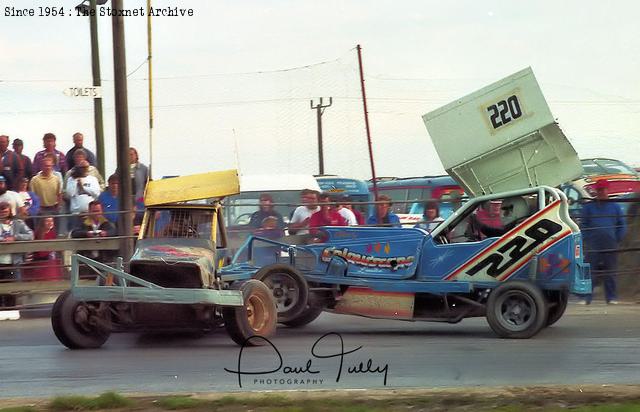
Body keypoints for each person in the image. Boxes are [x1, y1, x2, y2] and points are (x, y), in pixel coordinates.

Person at [577, 180, 626, 305]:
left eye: (604, 189)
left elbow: (622, 225)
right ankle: (585, 298)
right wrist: (587, 238)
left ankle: (612, 297)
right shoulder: (589, 207)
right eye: (599, 190)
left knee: (611, 271)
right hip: (593, 244)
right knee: (589, 271)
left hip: (610, 244)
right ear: (596, 191)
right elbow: (583, 225)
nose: (602, 192)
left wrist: (617, 238)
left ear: (607, 190)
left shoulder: (615, 207)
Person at [71, 201, 117, 267]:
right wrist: (86, 234)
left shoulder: (106, 222)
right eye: (94, 211)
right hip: (86, 259)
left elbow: (115, 232)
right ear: (89, 211)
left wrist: (106, 233)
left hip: (104, 258)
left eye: (98, 211)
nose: (96, 213)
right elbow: (74, 233)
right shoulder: (83, 222)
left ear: (102, 211)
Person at [0, 201, 34, 281]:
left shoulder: (18, 223)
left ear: (10, 211)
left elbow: (30, 235)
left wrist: (15, 237)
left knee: (16, 286)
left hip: (15, 261)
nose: (3, 214)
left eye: (5, 212)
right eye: (1, 212)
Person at [29, 157, 63, 221]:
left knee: (55, 230)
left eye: (49, 166)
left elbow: (59, 193)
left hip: (54, 209)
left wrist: (59, 206)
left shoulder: (56, 179)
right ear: (41, 167)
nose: (48, 167)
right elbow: (32, 196)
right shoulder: (34, 180)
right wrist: (37, 208)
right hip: (40, 210)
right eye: (46, 166)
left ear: (52, 167)